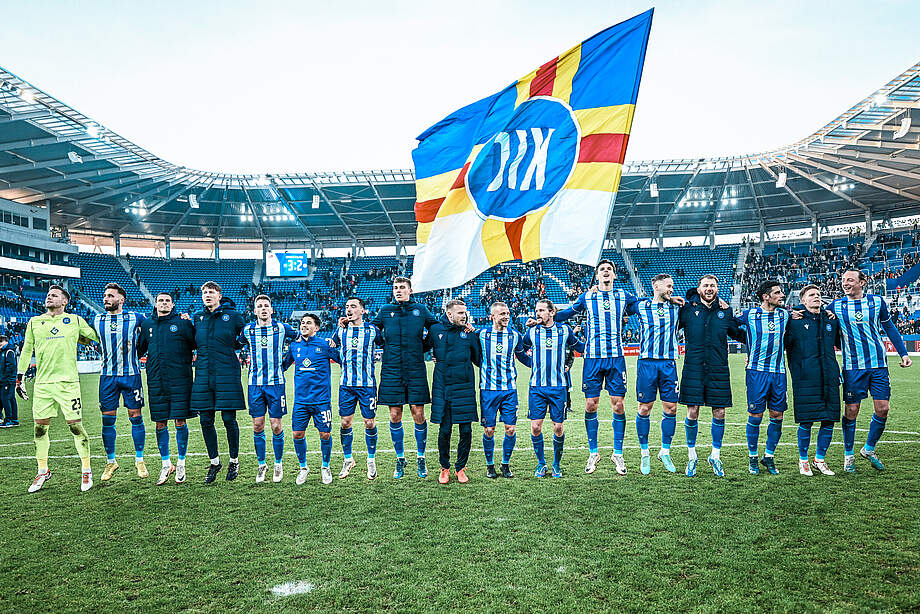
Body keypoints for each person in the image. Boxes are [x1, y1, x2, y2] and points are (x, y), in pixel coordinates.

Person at [549, 260, 638, 476]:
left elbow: (645, 305)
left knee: (618, 405)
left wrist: (667, 298)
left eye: (609, 269)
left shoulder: (623, 296)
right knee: (591, 405)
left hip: (616, 358)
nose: (606, 272)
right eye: (602, 270)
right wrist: (546, 317)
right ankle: (594, 452)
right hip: (592, 358)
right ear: (597, 275)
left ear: (614, 275)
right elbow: (567, 313)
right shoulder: (587, 297)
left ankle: (618, 452)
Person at [16, 285, 99, 493]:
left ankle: (86, 469)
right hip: (43, 385)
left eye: (54, 295)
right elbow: (27, 349)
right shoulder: (35, 322)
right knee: (39, 429)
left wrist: (88, 336)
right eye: (48, 295)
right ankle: (43, 470)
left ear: (64, 302)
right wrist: (20, 377)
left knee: (75, 427)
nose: (48, 297)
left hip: (68, 384)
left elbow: (96, 337)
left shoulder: (75, 320)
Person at [827, 269, 911, 472]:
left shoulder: (877, 302)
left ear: (862, 282)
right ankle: (848, 456)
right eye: (843, 280)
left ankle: (869, 448)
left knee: (883, 408)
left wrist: (903, 353)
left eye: (850, 280)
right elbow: (814, 313)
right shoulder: (836, 306)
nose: (845, 283)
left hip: (878, 365)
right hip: (853, 367)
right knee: (852, 411)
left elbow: (889, 327)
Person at [368, 276, 439, 479]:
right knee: (394, 415)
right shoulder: (385, 311)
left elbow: (435, 328)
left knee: (418, 414)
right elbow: (372, 330)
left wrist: (424, 347)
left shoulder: (421, 310)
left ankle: (421, 457)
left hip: (415, 368)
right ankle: (400, 459)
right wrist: (382, 342)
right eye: (395, 288)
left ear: (410, 290)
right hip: (391, 369)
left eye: (402, 287)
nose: (398, 290)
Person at [678, 275, 745, 478]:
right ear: (698, 289)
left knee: (720, 413)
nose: (709, 289)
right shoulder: (687, 310)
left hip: (718, 368)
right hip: (694, 367)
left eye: (712, 286)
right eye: (705, 285)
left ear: (717, 289)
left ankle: (715, 456)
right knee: (692, 412)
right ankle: (692, 456)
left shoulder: (725, 311)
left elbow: (739, 334)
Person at [189, 281, 246, 484]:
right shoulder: (198, 317)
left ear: (219, 296)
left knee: (229, 419)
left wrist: (237, 344)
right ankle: (214, 463)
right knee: (205, 420)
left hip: (227, 372)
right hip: (203, 373)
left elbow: (248, 335)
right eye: (204, 292)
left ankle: (234, 461)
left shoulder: (233, 316)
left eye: (211, 292)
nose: (207, 295)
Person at [137, 292, 197, 485]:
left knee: (180, 421)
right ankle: (166, 464)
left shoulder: (182, 323)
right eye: (160, 300)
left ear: (173, 305)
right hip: (156, 380)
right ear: (155, 304)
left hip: (180, 379)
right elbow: (139, 350)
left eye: (167, 301)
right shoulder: (147, 325)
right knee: (160, 423)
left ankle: (181, 462)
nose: (163, 303)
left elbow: (197, 344)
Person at [522, 299, 584, 478]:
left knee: (558, 427)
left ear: (552, 312)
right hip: (537, 387)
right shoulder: (532, 332)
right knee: (535, 427)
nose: (537, 313)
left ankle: (556, 464)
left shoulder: (564, 331)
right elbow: (521, 350)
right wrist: (532, 364)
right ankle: (541, 463)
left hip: (558, 388)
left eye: (541, 310)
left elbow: (579, 347)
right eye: (536, 310)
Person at [93, 282, 148, 482]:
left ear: (121, 299)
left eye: (110, 296)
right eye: (105, 295)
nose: (106, 298)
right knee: (108, 419)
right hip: (107, 376)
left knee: (135, 416)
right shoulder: (97, 319)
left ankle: (139, 459)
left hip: (131, 374)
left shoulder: (136, 317)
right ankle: (111, 461)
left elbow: (154, 329)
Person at [240, 295, 297, 483]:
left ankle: (278, 464)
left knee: (276, 425)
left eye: (266, 306)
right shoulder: (247, 330)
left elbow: (300, 340)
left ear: (272, 310)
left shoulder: (282, 328)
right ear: (254, 310)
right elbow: (234, 343)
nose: (263, 309)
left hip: (276, 384)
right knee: (257, 425)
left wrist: (286, 363)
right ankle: (261, 465)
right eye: (259, 306)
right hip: (255, 384)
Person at [785, 284, 840, 477]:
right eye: (812, 295)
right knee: (806, 421)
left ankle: (820, 459)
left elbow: (841, 343)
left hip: (829, 377)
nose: (817, 297)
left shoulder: (831, 320)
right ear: (803, 300)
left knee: (829, 420)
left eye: (818, 294)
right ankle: (803, 460)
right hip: (805, 378)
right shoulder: (793, 321)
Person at [738, 281, 791, 475]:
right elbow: (729, 324)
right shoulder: (750, 315)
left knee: (777, 415)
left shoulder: (785, 315)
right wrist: (749, 350)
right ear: (765, 296)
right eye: (777, 293)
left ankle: (768, 456)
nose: (782, 295)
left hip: (778, 373)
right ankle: (752, 457)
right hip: (756, 373)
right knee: (756, 416)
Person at [427, 299, 481, 484]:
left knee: (466, 430)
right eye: (460, 313)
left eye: (465, 312)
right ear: (449, 314)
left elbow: (479, 360)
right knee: (445, 431)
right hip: (443, 387)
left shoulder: (470, 334)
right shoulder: (435, 330)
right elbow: (423, 347)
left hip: (464, 387)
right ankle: (445, 467)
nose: (464, 315)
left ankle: (461, 468)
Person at [283, 313, 341, 485]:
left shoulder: (324, 345)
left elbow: (342, 360)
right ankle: (303, 468)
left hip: (321, 400)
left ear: (316, 328)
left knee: (325, 434)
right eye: (302, 323)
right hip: (301, 401)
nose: (304, 325)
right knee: (297, 434)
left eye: (308, 323)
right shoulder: (295, 346)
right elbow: (284, 365)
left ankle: (325, 466)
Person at [634, 274, 682, 475]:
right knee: (645, 408)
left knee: (671, 408)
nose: (672, 289)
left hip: (668, 363)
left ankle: (665, 451)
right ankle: (644, 453)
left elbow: (700, 298)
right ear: (656, 285)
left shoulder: (678, 307)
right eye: (668, 286)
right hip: (647, 363)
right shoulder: (640, 306)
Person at [477, 302, 531, 478]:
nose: (506, 316)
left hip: (509, 389)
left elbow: (522, 355)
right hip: (488, 390)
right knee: (489, 430)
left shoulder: (515, 335)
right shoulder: (481, 334)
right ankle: (490, 465)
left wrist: (538, 365)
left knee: (510, 429)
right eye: (502, 314)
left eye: (507, 313)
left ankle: (505, 464)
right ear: (492, 316)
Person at [332, 297, 381, 480]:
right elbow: (331, 346)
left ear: (362, 310)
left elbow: (386, 344)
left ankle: (371, 459)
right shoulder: (341, 330)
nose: (349, 309)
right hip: (346, 385)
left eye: (353, 306)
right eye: (347, 307)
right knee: (345, 422)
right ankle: (348, 459)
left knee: (369, 422)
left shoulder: (372, 330)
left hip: (367, 385)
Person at [0, 335, 18, 427]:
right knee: (10, 398)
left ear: (6, 341)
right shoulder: (3, 351)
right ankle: (14, 419)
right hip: (5, 379)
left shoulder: (9, 351)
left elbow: (11, 366)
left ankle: (9, 419)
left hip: (8, 380)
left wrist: (4, 378)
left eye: (1, 342)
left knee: (6, 398)